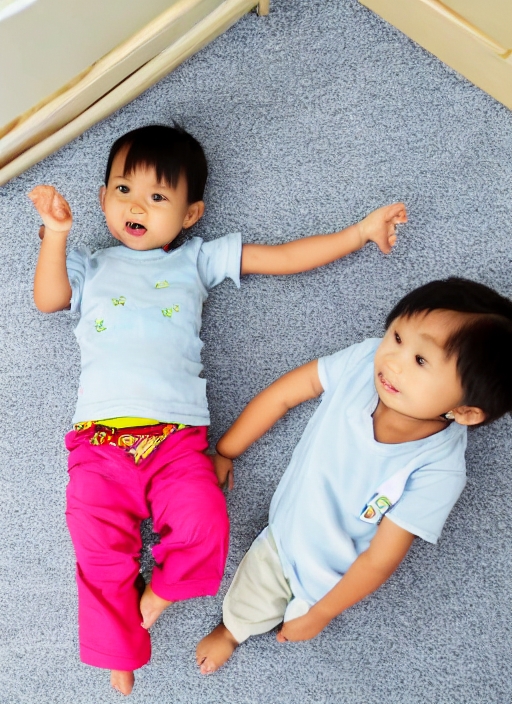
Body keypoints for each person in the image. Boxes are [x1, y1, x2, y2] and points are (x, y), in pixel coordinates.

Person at [29, 124, 407, 695]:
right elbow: (49, 299)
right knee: (96, 544)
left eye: (158, 197)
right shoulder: (90, 263)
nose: (137, 207)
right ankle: (118, 646)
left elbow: (282, 258)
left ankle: (156, 597)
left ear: (190, 215)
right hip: (99, 442)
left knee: (206, 522)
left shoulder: (196, 259)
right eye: (123, 190)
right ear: (103, 198)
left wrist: (357, 233)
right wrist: (56, 236)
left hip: (176, 440)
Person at [196, 277, 512, 675]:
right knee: (249, 599)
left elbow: (380, 559)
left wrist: (323, 613)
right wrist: (227, 450)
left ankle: (301, 608)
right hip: (287, 533)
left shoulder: (440, 469)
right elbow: (286, 393)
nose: (393, 361)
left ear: (464, 411)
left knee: (302, 619)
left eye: (420, 361)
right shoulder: (364, 363)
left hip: (332, 575)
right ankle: (230, 632)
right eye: (397, 336)